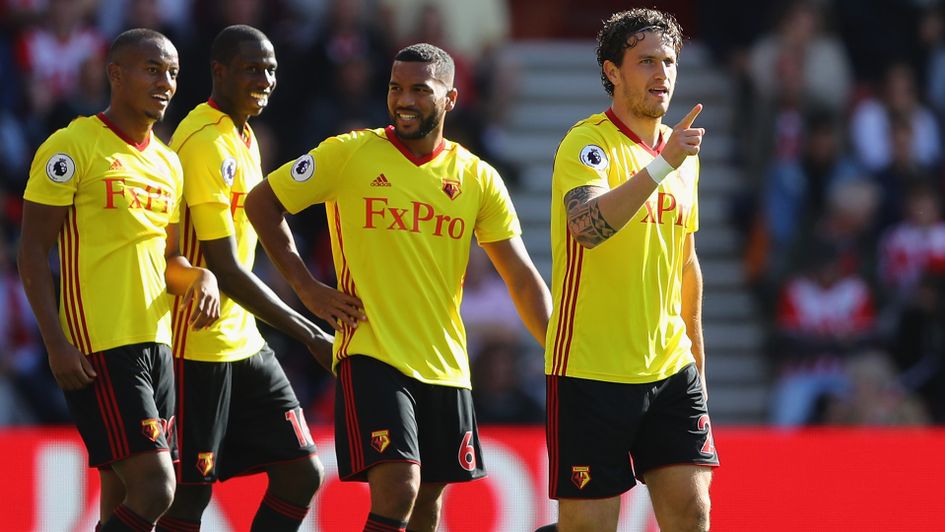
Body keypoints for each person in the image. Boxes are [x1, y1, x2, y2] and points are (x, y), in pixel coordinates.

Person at [245, 42, 551, 532]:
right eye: (395, 88)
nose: (404, 100)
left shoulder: (478, 178)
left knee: (428, 504)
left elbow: (520, 275)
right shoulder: (348, 153)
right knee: (400, 486)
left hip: (446, 364)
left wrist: (560, 354)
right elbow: (262, 202)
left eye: (419, 90)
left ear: (451, 98)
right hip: (372, 352)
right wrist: (306, 287)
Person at [17, 29, 220, 531]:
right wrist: (56, 344)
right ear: (115, 74)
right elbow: (32, 250)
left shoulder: (168, 164)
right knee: (156, 488)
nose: (166, 82)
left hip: (158, 344)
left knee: (124, 496)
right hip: (100, 346)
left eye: (172, 73)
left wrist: (201, 276)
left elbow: (167, 258)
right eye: (152, 69)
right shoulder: (72, 146)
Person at [154, 25, 339, 532]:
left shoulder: (244, 135)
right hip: (195, 345)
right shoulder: (204, 142)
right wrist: (310, 332)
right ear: (219, 71)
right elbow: (226, 270)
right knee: (187, 499)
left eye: (271, 70)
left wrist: (308, 288)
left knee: (301, 472)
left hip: (243, 342)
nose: (265, 80)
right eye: (252, 69)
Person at [541, 9, 718, 531]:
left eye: (669, 62)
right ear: (612, 71)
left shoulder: (683, 157)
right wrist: (662, 165)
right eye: (646, 62)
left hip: (669, 367)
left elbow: (686, 264)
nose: (662, 73)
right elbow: (587, 228)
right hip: (590, 369)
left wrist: (697, 366)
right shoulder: (587, 144)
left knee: (693, 512)